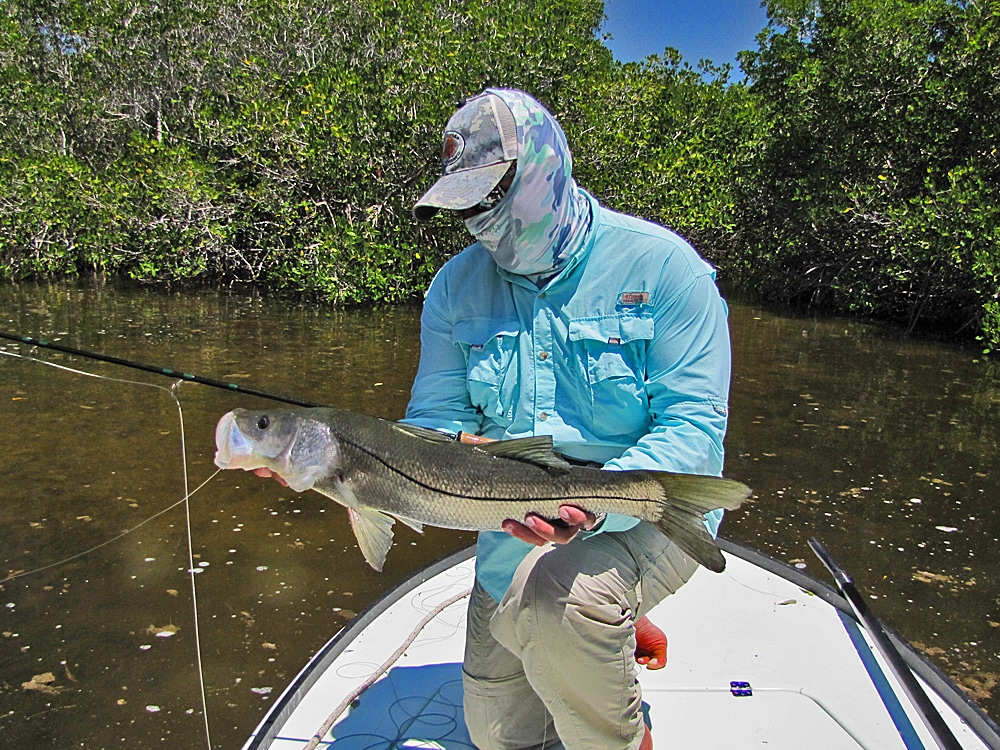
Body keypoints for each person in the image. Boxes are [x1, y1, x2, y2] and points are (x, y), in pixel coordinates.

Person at [403, 89, 732, 750]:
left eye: (490, 196)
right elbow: (431, 424)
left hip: (653, 513)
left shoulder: (667, 271)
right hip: (512, 527)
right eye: (463, 204)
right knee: (497, 738)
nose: (477, 219)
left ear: (544, 170)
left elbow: (694, 433)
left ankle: (618, 712)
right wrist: (351, 465)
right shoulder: (453, 289)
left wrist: (592, 509)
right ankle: (601, 628)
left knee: (561, 596)